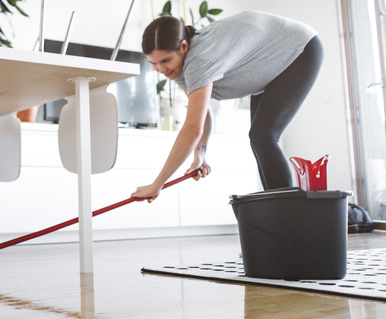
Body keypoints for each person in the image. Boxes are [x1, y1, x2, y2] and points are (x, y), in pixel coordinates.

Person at [131, 10, 323, 203]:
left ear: (184, 46)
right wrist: (200, 156)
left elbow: (192, 129)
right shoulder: (179, 69)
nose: (161, 70)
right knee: (259, 138)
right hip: (270, 65)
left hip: (299, 48)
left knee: (263, 136)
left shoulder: (198, 60)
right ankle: (280, 213)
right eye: (153, 64)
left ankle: (289, 215)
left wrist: (157, 184)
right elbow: (203, 115)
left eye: (165, 61)